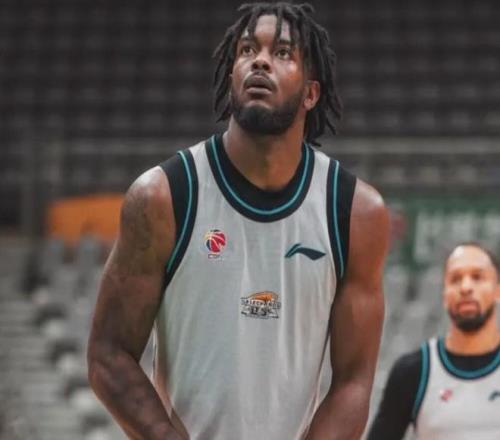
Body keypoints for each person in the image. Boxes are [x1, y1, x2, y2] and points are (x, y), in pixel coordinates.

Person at [87, 3, 389, 439]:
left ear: (311, 93)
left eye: (282, 53)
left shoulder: (356, 213)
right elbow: (109, 354)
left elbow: (354, 383)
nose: (260, 61)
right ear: (231, 78)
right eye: (247, 50)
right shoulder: (162, 197)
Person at [368, 243, 500, 440]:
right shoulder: (414, 371)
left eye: (477, 277)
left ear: (497, 290)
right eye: (455, 279)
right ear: (444, 294)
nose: (465, 287)